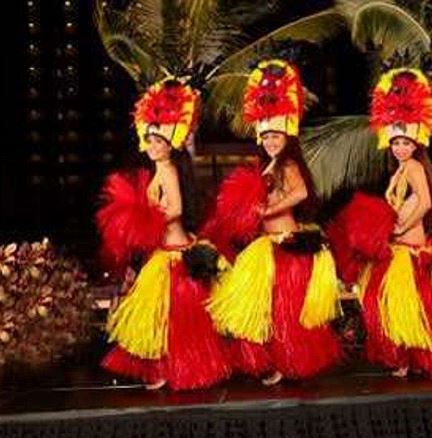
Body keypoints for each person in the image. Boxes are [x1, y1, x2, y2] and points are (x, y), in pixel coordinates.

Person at [328, 68, 432, 377]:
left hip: (412, 252)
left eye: (405, 142)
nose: (400, 148)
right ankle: (407, 360)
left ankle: (418, 358)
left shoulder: (415, 167)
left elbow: (426, 202)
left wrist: (401, 228)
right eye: (396, 143)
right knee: (399, 309)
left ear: (416, 143)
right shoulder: (400, 170)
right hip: (398, 251)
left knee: (413, 310)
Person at [201, 59, 342, 385]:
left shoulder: (287, 164)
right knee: (266, 309)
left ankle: (288, 363)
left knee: (283, 310)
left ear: (286, 136)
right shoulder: (266, 165)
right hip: (266, 247)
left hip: (286, 244)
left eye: (276, 136)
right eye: (266, 137)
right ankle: (278, 362)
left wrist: (267, 210)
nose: (271, 142)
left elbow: (301, 192)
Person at [97, 79, 231, 390]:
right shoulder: (158, 170)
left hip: (175, 250)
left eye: (159, 141)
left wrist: (149, 220)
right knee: (160, 315)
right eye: (150, 139)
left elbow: (177, 209)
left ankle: (178, 369)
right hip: (163, 249)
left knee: (176, 318)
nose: (153, 146)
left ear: (170, 144)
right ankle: (162, 368)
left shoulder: (168, 170)